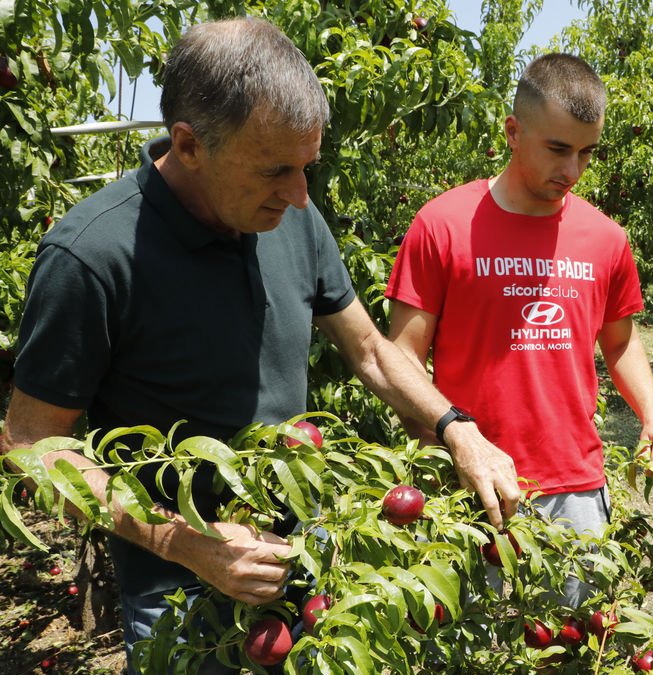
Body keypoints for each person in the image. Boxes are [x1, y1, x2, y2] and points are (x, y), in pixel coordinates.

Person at [0, 17, 479, 675]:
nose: (300, 193)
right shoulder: (92, 256)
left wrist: (456, 426)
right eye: (276, 169)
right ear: (189, 144)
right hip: (181, 586)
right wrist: (184, 541)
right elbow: (30, 447)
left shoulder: (292, 215)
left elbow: (368, 348)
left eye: (307, 166)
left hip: (299, 559)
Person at [385, 53, 653, 602]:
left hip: (576, 488)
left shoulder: (605, 238)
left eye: (586, 153)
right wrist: (444, 446)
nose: (572, 171)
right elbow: (401, 357)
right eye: (557, 149)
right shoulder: (443, 225)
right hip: (470, 487)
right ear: (513, 132)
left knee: (574, 649)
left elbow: (620, 342)